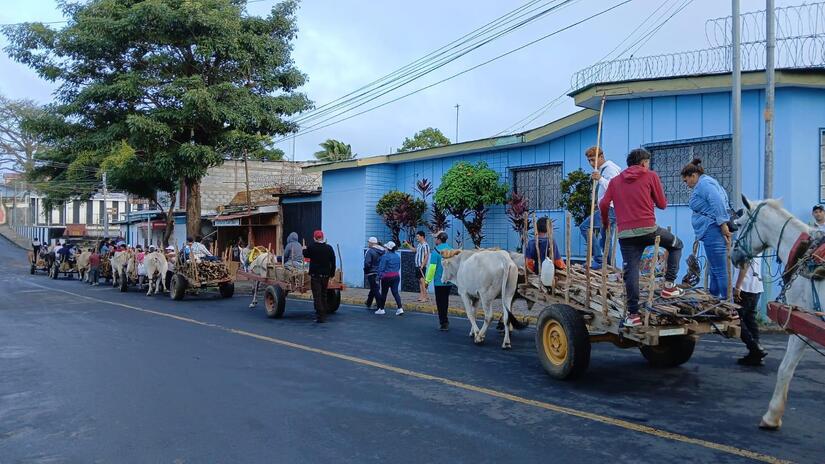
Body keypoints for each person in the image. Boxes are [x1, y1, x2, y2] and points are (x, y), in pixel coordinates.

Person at [599, 148, 684, 327]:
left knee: (631, 271)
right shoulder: (651, 176)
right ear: (644, 162)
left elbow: (604, 203)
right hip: (649, 230)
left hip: (626, 235)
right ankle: (669, 286)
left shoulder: (615, 181)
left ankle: (633, 315)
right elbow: (662, 204)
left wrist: (605, 223)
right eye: (648, 163)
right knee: (676, 244)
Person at [681, 158, 731, 299]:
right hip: (711, 229)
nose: (686, 184)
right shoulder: (707, 183)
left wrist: (723, 224)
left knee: (720, 270)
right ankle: (715, 298)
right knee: (715, 269)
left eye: (686, 180)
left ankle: (728, 302)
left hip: (713, 229)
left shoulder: (704, 184)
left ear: (693, 176)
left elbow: (717, 201)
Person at [580, 146, 622, 269]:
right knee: (606, 238)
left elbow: (616, 188)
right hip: (609, 208)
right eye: (589, 161)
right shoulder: (604, 169)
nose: (591, 163)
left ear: (601, 157)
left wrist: (600, 179)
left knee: (585, 227)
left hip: (610, 208)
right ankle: (608, 264)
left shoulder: (609, 169)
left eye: (593, 160)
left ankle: (598, 260)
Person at [734, 258, 768, 366]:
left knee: (736, 320)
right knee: (750, 320)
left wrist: (738, 286)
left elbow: (745, 264)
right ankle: (755, 354)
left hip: (744, 287)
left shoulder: (746, 247)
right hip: (756, 287)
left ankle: (755, 348)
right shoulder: (757, 247)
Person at [303, 230, 336, 323]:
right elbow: (333, 262)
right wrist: (332, 274)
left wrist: (304, 248)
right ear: (323, 238)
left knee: (317, 296)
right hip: (326, 275)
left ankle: (320, 316)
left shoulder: (312, 247)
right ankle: (323, 314)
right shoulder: (329, 248)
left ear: (314, 238)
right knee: (323, 294)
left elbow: (305, 254)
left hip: (315, 275)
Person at [425, 231, 453, 331]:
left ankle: (443, 322)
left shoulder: (436, 251)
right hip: (449, 281)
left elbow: (432, 268)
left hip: (438, 281)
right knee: (445, 300)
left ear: (439, 240)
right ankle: (445, 320)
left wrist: (427, 281)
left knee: (440, 302)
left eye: (436, 238)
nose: (435, 240)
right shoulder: (451, 250)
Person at [375, 241, 404, 316]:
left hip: (386, 277)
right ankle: (400, 308)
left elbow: (381, 268)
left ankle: (381, 309)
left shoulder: (385, 256)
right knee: (395, 292)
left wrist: (378, 277)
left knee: (384, 293)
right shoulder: (397, 256)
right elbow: (398, 267)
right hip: (396, 276)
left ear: (388, 248)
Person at [363, 237, 385, 310]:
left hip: (371, 272)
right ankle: (369, 302)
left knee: (375, 289)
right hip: (379, 272)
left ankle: (380, 305)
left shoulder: (370, 251)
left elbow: (367, 263)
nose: (368, 244)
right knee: (374, 287)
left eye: (369, 242)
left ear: (371, 243)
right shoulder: (382, 251)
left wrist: (366, 270)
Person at [414, 231, 430, 303]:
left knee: (423, 281)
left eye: (418, 236)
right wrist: (407, 245)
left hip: (421, 266)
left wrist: (423, 265)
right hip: (417, 265)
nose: (417, 238)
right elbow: (414, 250)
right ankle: (421, 295)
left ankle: (425, 297)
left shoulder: (425, 245)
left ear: (422, 236)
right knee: (420, 281)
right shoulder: (419, 245)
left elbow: (426, 256)